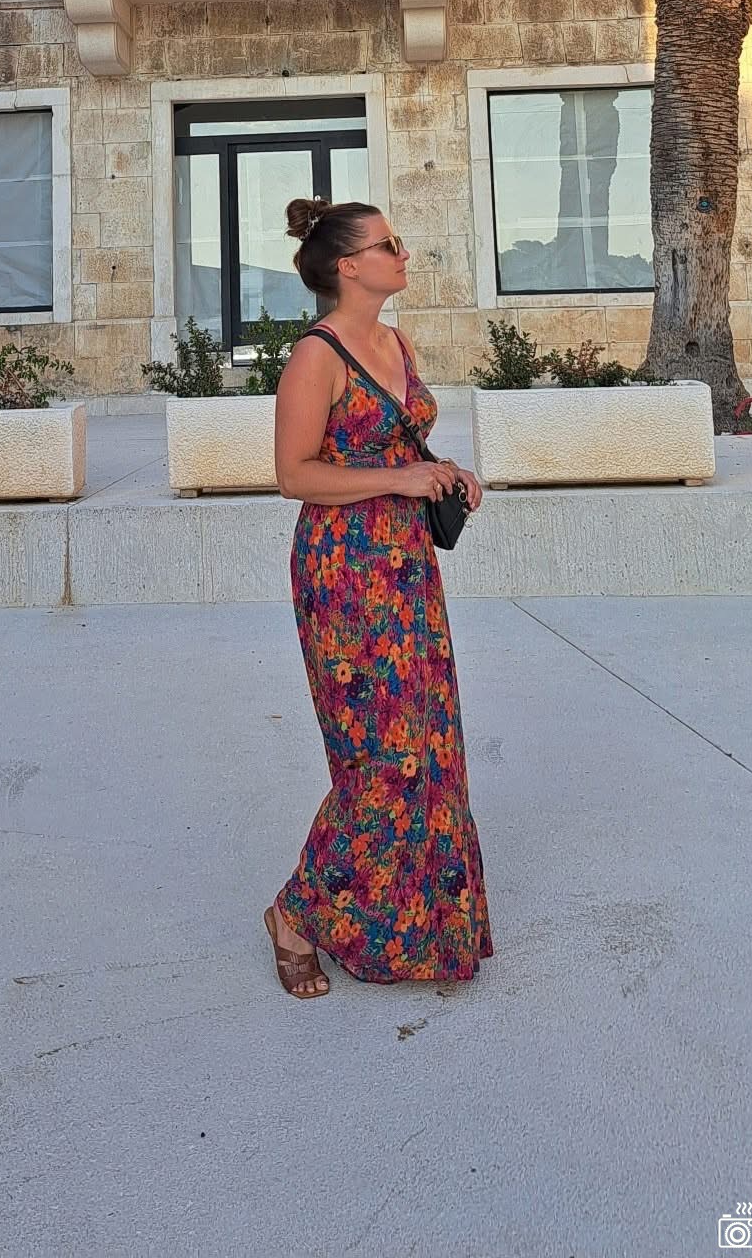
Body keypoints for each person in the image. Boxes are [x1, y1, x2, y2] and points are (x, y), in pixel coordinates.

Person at [262, 197, 495, 998]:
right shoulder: (316, 355)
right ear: (348, 266)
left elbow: (398, 444)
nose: (403, 253)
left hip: (407, 569)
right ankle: (295, 915)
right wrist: (400, 477)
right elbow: (294, 475)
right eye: (388, 244)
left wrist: (442, 470)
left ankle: (416, 932)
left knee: (429, 746)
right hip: (344, 574)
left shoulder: (396, 342)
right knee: (380, 758)